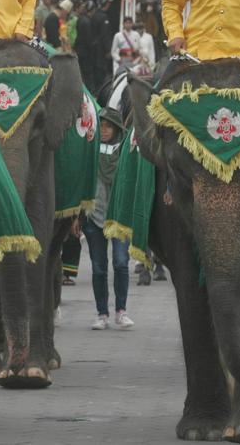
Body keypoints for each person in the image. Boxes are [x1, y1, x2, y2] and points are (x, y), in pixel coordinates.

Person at [83, 109, 133, 330]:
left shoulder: (126, 151)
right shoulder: (90, 150)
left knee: (121, 263)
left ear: (116, 129)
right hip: (94, 216)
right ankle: (101, 313)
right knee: (98, 267)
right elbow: (81, 181)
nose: (104, 131)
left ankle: (121, 311)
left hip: (119, 216)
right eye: (101, 126)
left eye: (108, 126)